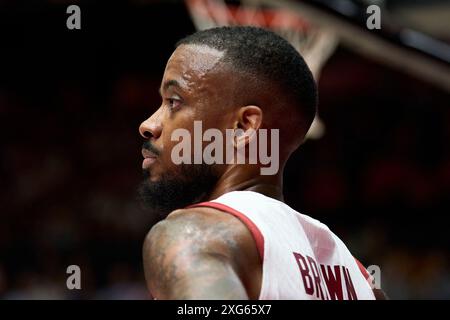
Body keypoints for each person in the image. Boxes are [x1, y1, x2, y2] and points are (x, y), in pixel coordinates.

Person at [138, 26, 384, 300]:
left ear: (243, 126)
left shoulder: (194, 235)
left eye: (174, 102)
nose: (148, 125)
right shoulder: (359, 277)